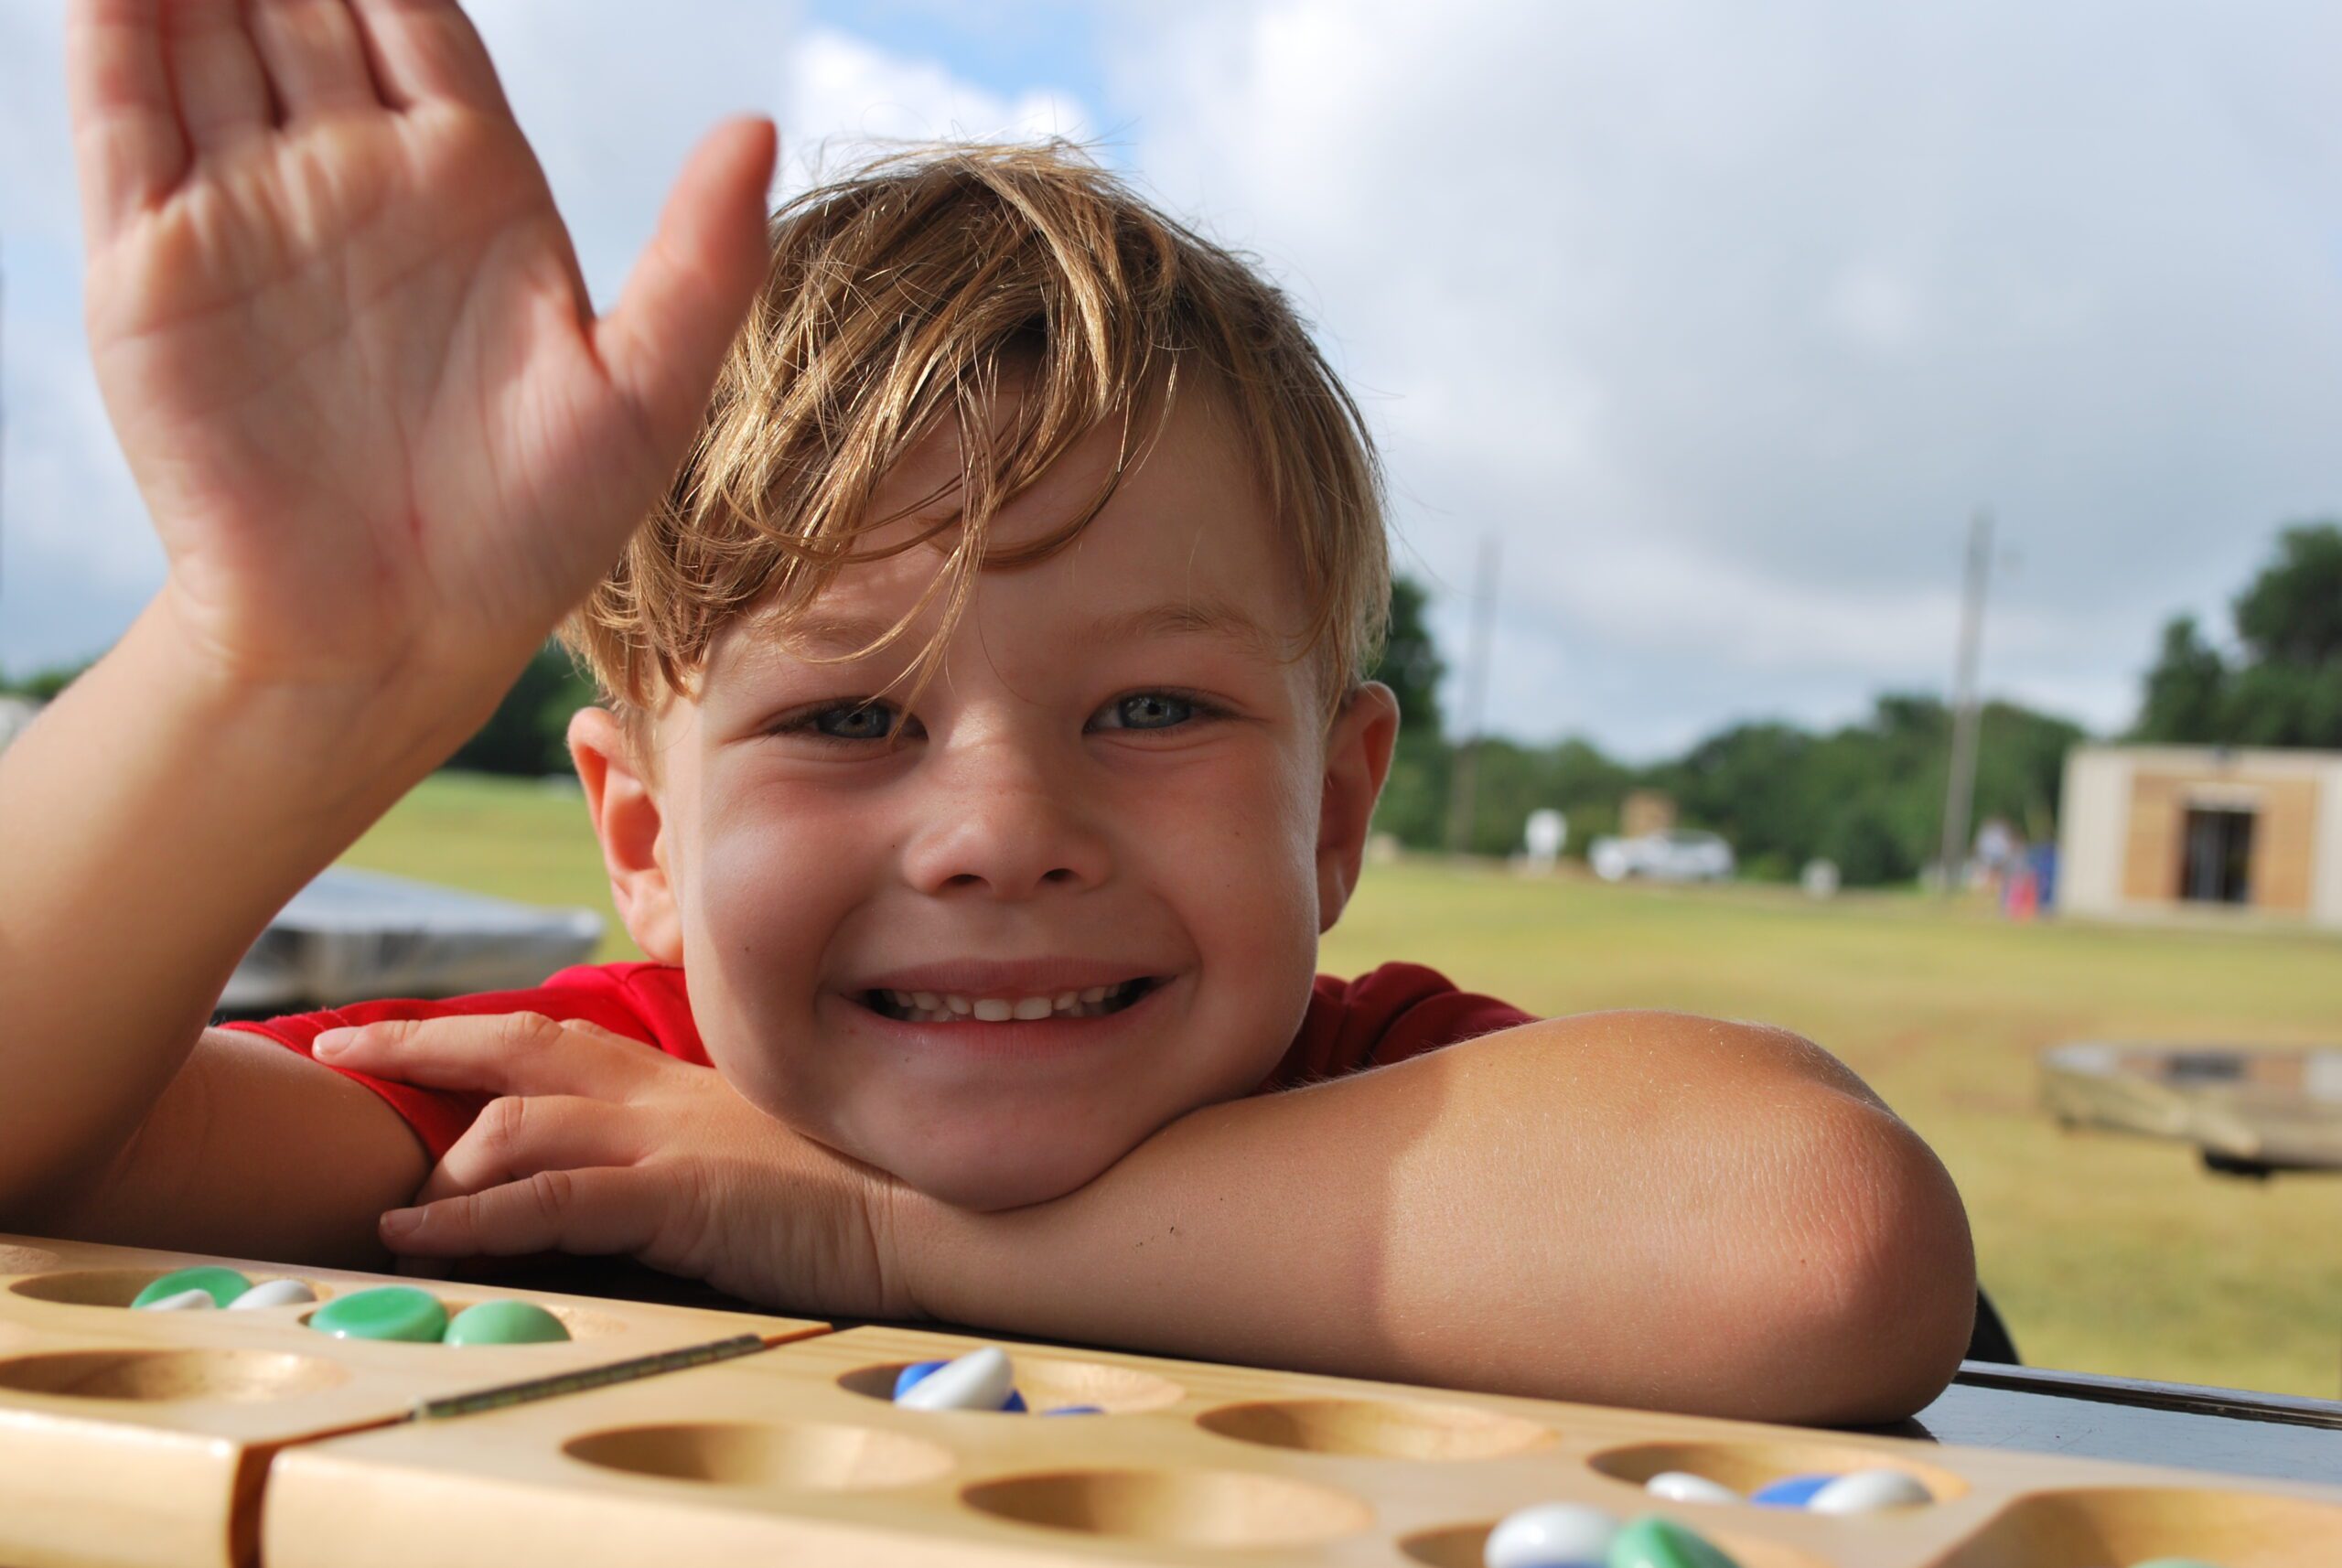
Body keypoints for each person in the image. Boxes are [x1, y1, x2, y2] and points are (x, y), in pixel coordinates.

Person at [0, 0, 1976, 1423]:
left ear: (1329, 810)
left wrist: (877, 1234)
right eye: (849, 724)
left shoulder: (1365, 1087)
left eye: (1149, 703)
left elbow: (1807, 1241)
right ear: (640, 839)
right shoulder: (591, 1112)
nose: (997, 827)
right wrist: (272, 667)